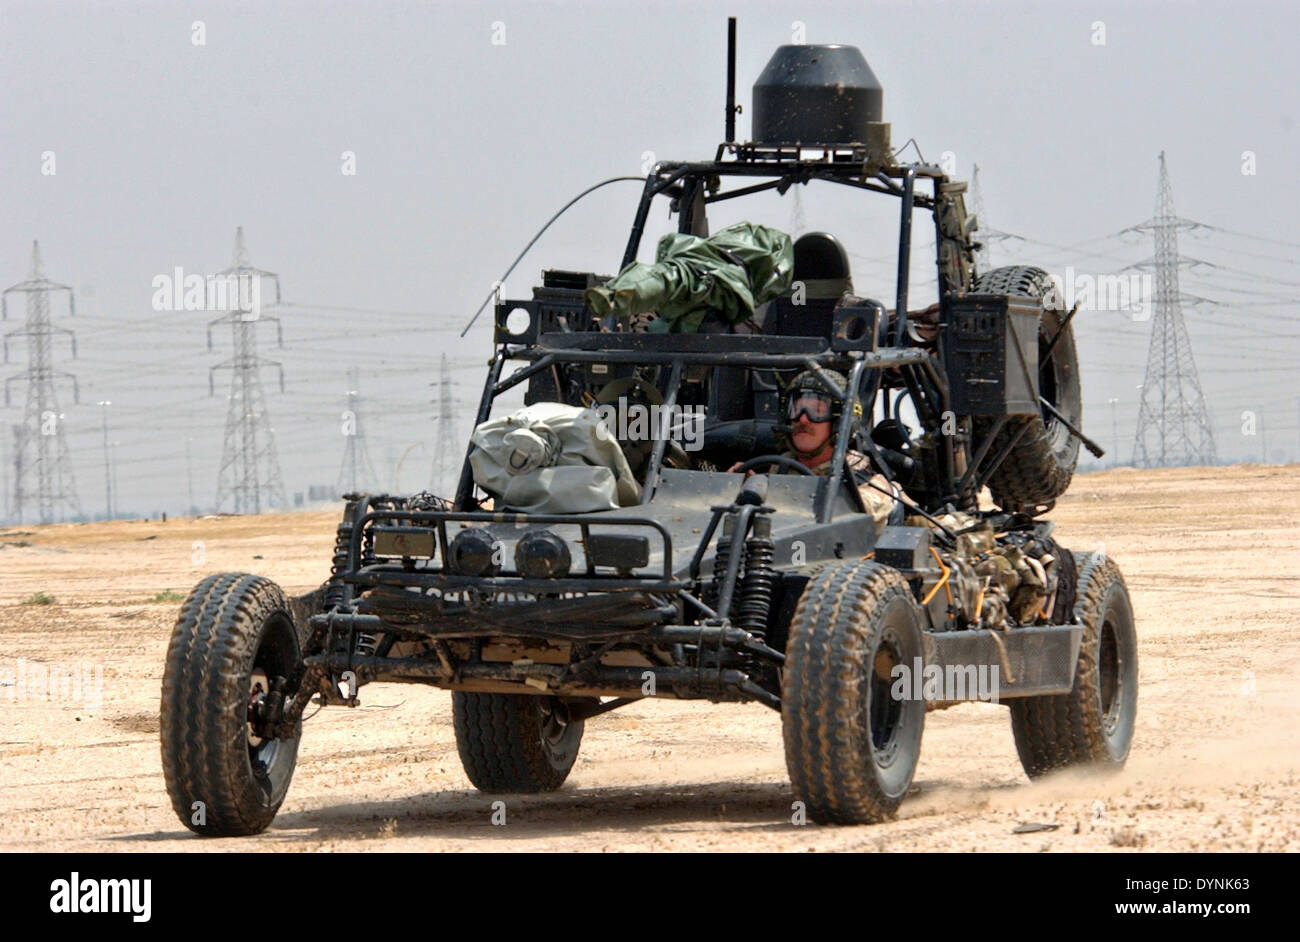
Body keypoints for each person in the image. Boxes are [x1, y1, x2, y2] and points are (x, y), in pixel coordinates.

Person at [730, 369, 900, 532]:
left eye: (817, 411)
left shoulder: (866, 482)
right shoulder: (780, 467)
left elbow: (843, 514)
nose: (803, 419)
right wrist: (745, 488)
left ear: (839, 423)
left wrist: (769, 496)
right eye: (796, 410)